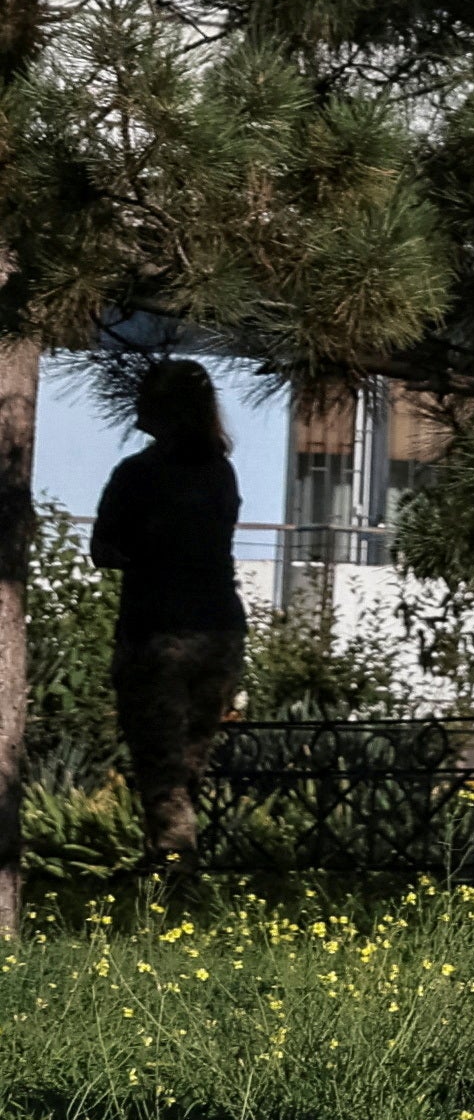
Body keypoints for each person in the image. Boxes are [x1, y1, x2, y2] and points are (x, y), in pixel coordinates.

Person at [94, 359, 247, 879]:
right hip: (220, 628)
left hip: (158, 629)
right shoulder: (220, 472)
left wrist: (144, 553)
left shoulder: (138, 474)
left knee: (158, 755)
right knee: (188, 756)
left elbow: (105, 548)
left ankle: (174, 861)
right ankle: (171, 856)